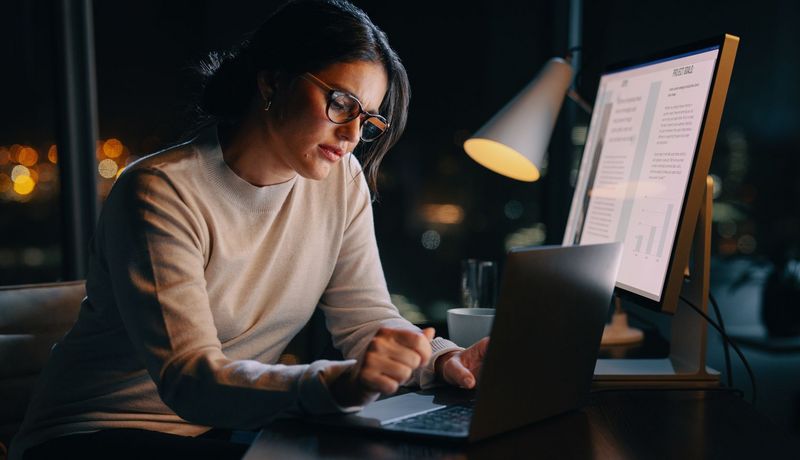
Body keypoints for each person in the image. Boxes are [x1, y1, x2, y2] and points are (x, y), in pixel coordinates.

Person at [10, 1, 488, 459]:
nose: (350, 135)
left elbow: (364, 319)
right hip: (94, 434)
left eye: (367, 120)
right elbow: (189, 379)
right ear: (272, 82)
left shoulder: (341, 181)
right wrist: (339, 383)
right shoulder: (160, 191)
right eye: (341, 103)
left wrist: (446, 361)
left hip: (215, 431)